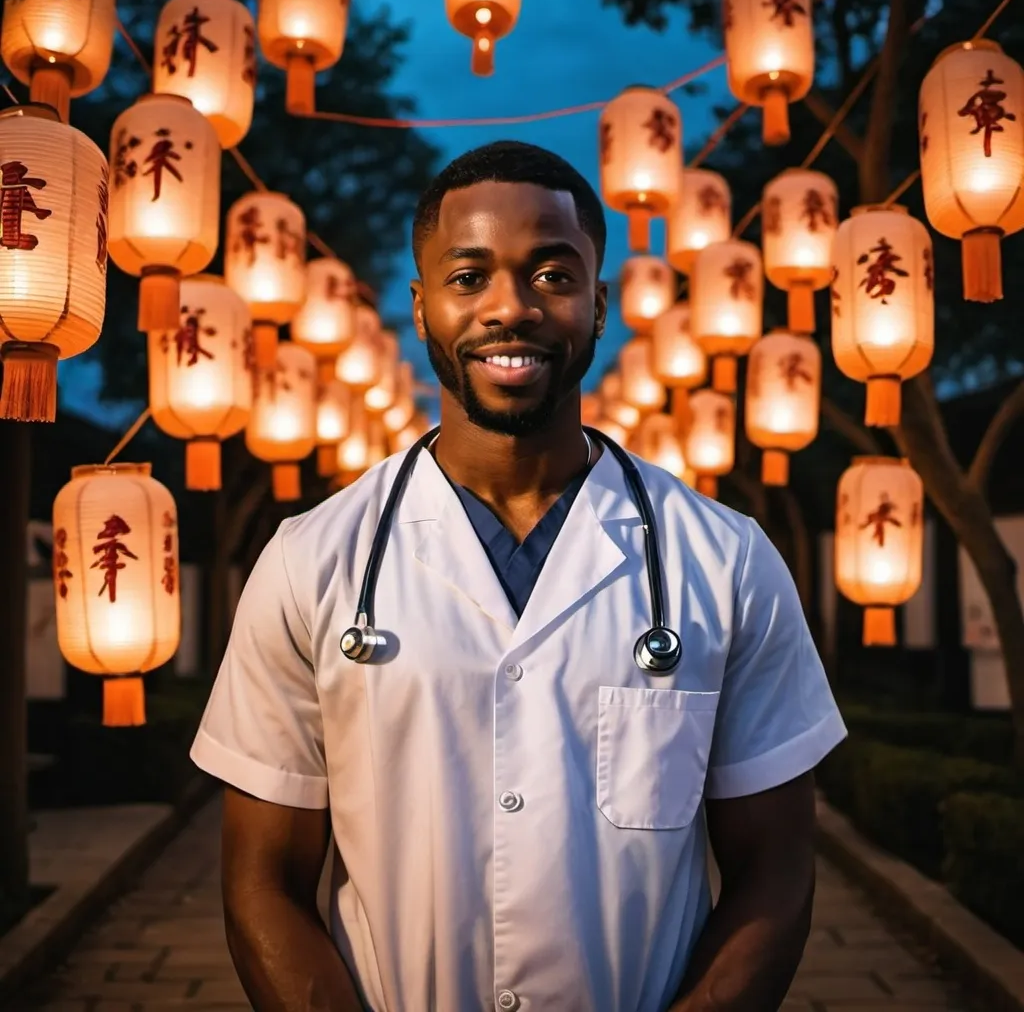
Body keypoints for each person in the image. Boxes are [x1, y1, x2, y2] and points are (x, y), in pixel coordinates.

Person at [190, 140, 848, 1012]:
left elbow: (776, 875)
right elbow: (263, 883)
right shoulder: (313, 560)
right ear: (421, 308)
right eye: (469, 279)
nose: (512, 308)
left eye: (551, 275)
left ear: (598, 303)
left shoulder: (722, 559)